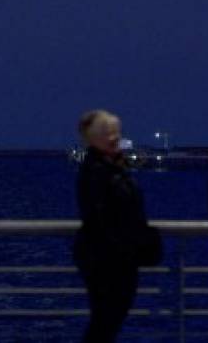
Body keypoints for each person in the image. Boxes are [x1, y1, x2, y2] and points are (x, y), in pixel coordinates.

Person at [73, 109, 153, 342]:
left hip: (114, 257)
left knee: (107, 322)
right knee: (105, 322)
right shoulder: (98, 171)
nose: (114, 137)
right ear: (93, 138)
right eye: (107, 132)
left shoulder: (108, 166)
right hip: (108, 259)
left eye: (116, 131)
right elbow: (104, 215)